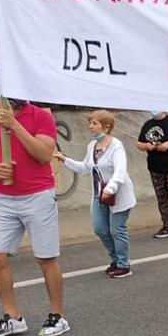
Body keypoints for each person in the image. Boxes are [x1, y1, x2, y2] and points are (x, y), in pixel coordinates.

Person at [0, 98, 68, 336]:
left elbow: (44, 155)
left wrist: (14, 125)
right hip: (3, 197)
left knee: (45, 257)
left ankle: (57, 316)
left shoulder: (40, 116)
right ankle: (13, 318)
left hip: (38, 195)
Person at [55, 110, 136, 278]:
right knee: (100, 229)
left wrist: (110, 188)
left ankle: (123, 264)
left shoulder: (116, 146)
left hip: (117, 194)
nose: (90, 126)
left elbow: (120, 171)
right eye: (90, 123)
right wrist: (65, 159)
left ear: (106, 127)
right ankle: (115, 259)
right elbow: (85, 167)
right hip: (99, 194)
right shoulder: (92, 146)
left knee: (117, 229)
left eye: (94, 123)